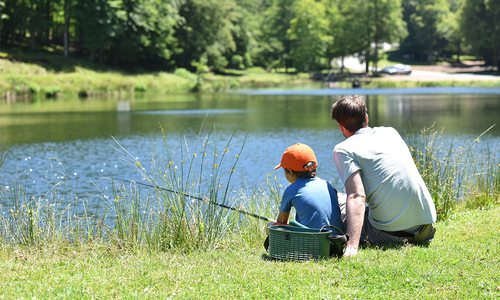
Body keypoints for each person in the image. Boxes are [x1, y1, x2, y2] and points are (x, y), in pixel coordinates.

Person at [330, 95, 437, 257]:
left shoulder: (343, 149)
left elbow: (357, 196)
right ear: (366, 117)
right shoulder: (390, 133)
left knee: (335, 204)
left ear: (341, 127)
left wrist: (352, 245)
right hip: (425, 229)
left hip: (391, 235)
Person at [273, 143, 344, 231]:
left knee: (271, 226)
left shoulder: (291, 190)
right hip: (338, 238)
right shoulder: (327, 185)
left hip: (313, 241)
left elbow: (281, 223)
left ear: (290, 172)